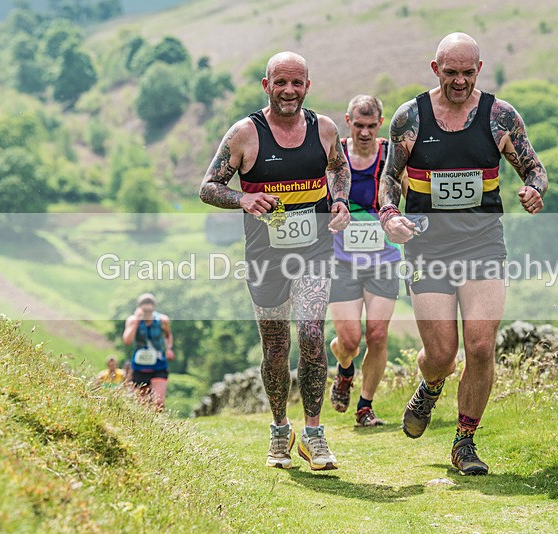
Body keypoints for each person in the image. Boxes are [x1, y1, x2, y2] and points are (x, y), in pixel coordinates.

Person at [377, 32, 548, 475]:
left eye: (467, 73)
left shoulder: (500, 116)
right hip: (427, 246)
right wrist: (389, 214)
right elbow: (389, 177)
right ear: (435, 69)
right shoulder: (411, 117)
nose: (459, 81)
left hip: (482, 244)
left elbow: (534, 167)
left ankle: (464, 442)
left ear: (479, 69)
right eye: (450, 72)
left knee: (481, 345)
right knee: (442, 355)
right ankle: (431, 384)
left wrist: (534, 189)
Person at [199, 51, 351, 470]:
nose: (289, 90)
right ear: (267, 85)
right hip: (265, 257)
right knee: (276, 347)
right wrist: (243, 199)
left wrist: (339, 200)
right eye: (280, 82)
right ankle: (280, 429)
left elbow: (339, 168)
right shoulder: (245, 134)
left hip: (315, 250)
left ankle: (315, 434)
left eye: (297, 83)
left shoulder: (324, 129)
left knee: (311, 333)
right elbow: (208, 186)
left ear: (307, 86)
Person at [328, 95, 400, 427]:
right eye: (359, 125)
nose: (366, 132)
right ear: (348, 122)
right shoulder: (335, 155)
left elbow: (409, 191)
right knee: (349, 340)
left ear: (380, 123)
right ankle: (344, 370)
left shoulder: (390, 156)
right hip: (342, 260)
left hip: (383, 259)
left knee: (378, 334)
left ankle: (365, 406)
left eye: (372, 126)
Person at [122, 293, 175, 411]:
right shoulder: (132, 320)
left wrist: (168, 348)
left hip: (159, 364)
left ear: (154, 307)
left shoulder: (162, 320)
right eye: (144, 306)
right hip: (140, 365)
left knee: (158, 402)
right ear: (139, 307)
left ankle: (159, 421)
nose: (147, 309)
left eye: (149, 306)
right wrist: (136, 321)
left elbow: (168, 335)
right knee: (142, 403)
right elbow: (127, 341)